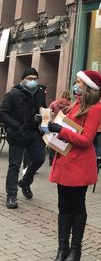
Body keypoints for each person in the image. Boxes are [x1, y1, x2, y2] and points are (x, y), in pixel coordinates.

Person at [48, 70, 101, 261]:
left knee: (77, 206)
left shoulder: (96, 107)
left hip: (79, 165)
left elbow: (86, 140)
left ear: (89, 86)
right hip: (65, 161)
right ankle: (62, 249)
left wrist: (61, 130)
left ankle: (75, 250)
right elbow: (65, 127)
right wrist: (46, 125)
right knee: (63, 206)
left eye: (80, 82)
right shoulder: (76, 104)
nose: (76, 84)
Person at [0, 67, 47, 209]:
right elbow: (2, 113)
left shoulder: (39, 93)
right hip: (17, 134)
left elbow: (43, 108)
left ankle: (25, 182)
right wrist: (16, 125)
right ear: (23, 79)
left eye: (35, 78)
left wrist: (42, 117)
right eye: (30, 78)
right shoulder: (13, 94)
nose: (32, 81)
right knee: (14, 165)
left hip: (33, 132)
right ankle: (11, 197)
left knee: (40, 158)